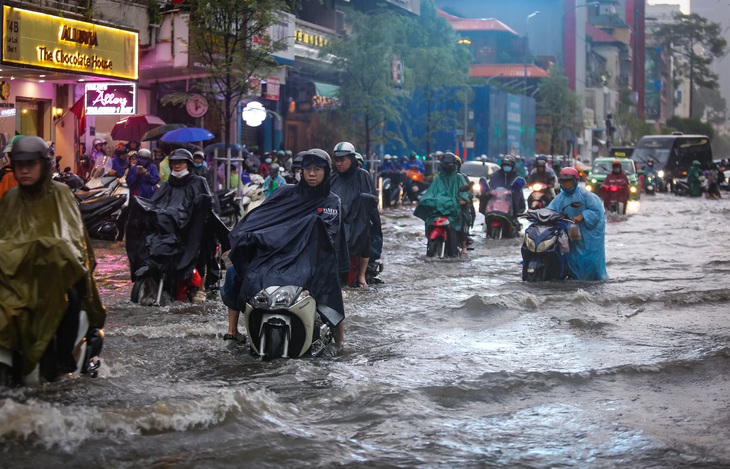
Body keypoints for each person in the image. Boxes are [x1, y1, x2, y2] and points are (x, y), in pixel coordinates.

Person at [0, 136, 106, 384]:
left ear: (44, 165)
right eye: (19, 164)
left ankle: (62, 362)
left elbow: (72, 238)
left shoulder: (61, 195)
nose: (24, 170)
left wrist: (53, 251)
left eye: (31, 164)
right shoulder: (11, 198)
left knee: (71, 299)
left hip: (56, 276)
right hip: (17, 277)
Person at [223, 148, 348, 348]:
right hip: (275, 255)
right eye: (308, 169)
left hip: (310, 259)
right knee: (234, 272)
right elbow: (260, 219)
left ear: (326, 172)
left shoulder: (332, 202)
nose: (312, 173)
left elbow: (328, 238)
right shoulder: (285, 193)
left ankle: (340, 341)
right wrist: (241, 240)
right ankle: (232, 330)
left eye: (317, 169)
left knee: (331, 284)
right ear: (301, 171)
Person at [125, 148, 229, 304]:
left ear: (188, 164)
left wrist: (201, 212)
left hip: (193, 230)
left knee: (202, 249)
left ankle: (201, 288)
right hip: (170, 232)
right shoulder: (167, 186)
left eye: (180, 163)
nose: (177, 166)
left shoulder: (199, 182)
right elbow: (154, 204)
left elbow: (210, 202)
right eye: (174, 163)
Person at [330, 141, 381, 289]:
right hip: (337, 221)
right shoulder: (332, 178)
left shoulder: (363, 176)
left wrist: (359, 212)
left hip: (357, 220)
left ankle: (362, 276)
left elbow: (370, 199)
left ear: (351, 159)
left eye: (342, 160)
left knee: (364, 236)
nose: (339, 163)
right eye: (337, 160)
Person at [547, 167, 609, 281]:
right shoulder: (560, 198)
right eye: (563, 181)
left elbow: (597, 212)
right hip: (572, 234)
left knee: (591, 261)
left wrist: (582, 216)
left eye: (569, 180)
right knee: (573, 260)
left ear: (575, 181)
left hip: (589, 235)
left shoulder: (585, 195)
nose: (566, 184)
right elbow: (550, 210)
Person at [414, 152, 472, 256]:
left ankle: (463, 246)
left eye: (449, 165)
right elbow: (431, 192)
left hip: (454, 211)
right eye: (445, 165)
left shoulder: (459, 178)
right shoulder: (438, 179)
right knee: (429, 220)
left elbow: (465, 193)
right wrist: (424, 200)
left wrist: (463, 199)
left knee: (462, 219)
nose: (447, 167)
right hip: (439, 211)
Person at [481, 154, 526, 219]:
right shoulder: (497, 174)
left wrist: (513, 190)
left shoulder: (516, 175)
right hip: (496, 199)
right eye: (505, 165)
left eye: (508, 165)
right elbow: (492, 184)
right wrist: (491, 191)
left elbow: (520, 183)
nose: (506, 167)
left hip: (510, 200)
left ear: (512, 166)